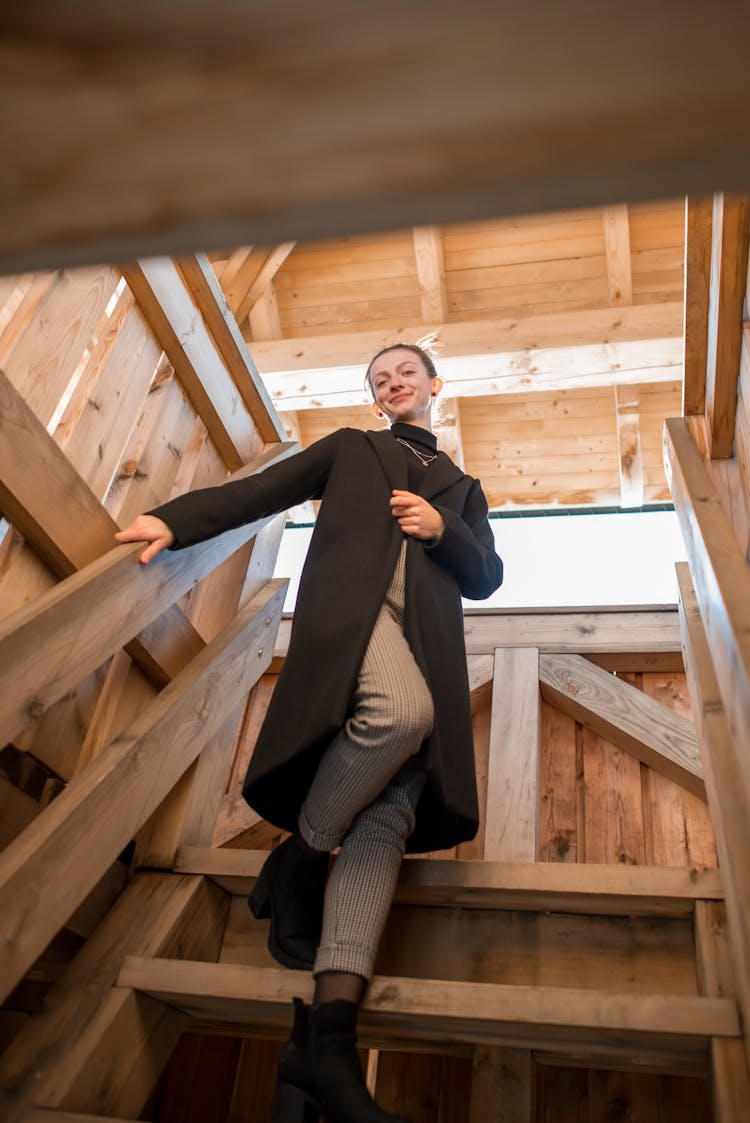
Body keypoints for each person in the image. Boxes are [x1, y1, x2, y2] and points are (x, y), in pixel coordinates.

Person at [115, 344, 503, 1123]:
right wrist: (172, 519)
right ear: (376, 400)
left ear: (434, 385)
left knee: (388, 817)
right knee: (401, 713)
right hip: (354, 633)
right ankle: (296, 854)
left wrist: (442, 528)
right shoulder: (352, 450)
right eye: (380, 380)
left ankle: (327, 1043)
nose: (394, 384)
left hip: (429, 642)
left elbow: (487, 574)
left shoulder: (461, 487)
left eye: (406, 374)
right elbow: (264, 490)